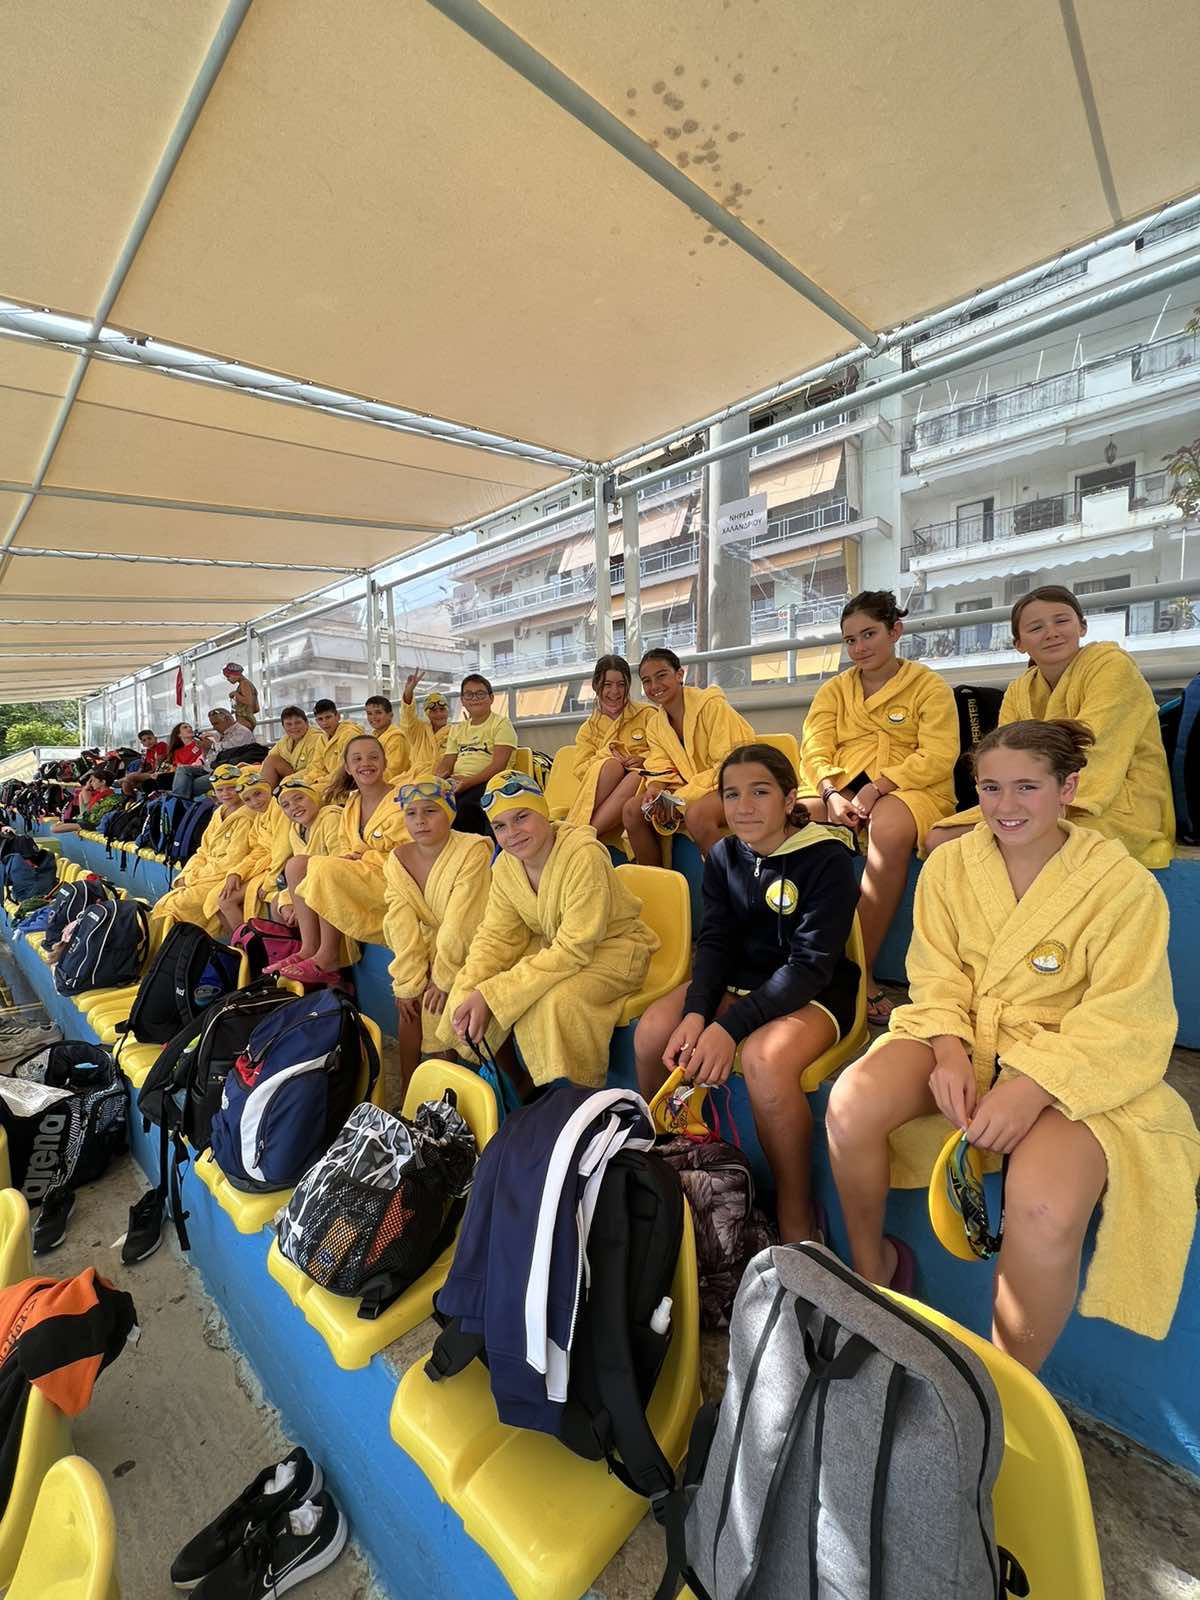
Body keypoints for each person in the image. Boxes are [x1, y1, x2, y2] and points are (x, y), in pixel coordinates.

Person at [826, 720, 1200, 1370]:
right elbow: (935, 973)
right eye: (990, 787)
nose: (1006, 805)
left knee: (1046, 1209)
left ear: (1068, 789)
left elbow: (1128, 1018)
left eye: (1028, 787)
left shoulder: (1122, 886)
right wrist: (947, 1049)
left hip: (1068, 1060)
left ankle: (1004, 1387)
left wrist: (1031, 1087)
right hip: (962, 1031)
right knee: (850, 1104)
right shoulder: (950, 865)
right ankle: (873, 1273)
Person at [635, 744, 859, 1242]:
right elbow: (715, 942)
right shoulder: (723, 857)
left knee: (764, 1060)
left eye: (760, 792)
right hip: (741, 982)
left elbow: (810, 965)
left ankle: (794, 1209)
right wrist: (698, 1013)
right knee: (652, 1032)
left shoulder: (827, 859)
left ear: (788, 799)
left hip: (816, 989)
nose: (744, 807)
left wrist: (728, 1027)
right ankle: (673, 1160)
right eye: (732, 795)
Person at [925, 585, 1173, 867]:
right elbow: (1002, 759)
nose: (1051, 633)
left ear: (1082, 626)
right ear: (1019, 643)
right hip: (1027, 795)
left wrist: (1041, 801)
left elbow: (1096, 748)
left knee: (1035, 840)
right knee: (940, 839)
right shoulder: (1018, 690)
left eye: (1061, 620)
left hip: (1113, 797)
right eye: (1036, 627)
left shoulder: (1113, 668)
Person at [799, 590, 959, 1023]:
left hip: (912, 787)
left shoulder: (928, 687)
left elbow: (938, 754)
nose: (859, 648)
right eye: (850, 640)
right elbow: (813, 749)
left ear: (895, 631)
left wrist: (878, 787)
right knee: (786, 820)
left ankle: (860, 973)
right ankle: (790, 959)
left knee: (887, 828)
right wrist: (831, 793)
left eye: (869, 634)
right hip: (841, 787)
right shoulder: (834, 691)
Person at [442, 771, 658, 1087]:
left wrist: (493, 994)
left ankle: (582, 1094)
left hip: (614, 950)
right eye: (500, 826)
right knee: (467, 988)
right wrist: (476, 985)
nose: (512, 833)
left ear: (543, 812)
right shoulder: (506, 867)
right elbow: (496, 937)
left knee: (555, 1003)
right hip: (557, 947)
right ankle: (522, 1088)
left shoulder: (584, 855)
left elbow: (574, 947)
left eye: (521, 817)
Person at [382, 775, 497, 1095]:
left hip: (472, 942)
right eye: (411, 813)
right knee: (409, 999)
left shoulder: (472, 850)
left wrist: (443, 978)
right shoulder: (398, 859)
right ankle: (408, 1091)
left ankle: (444, 1094)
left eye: (430, 811)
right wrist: (408, 981)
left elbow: (463, 920)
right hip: (429, 940)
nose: (420, 821)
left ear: (450, 813)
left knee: (436, 1002)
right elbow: (400, 922)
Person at [273, 735, 409, 984]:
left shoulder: (400, 801)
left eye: (373, 757)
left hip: (390, 877)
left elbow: (408, 852)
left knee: (324, 867)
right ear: (347, 767)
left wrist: (365, 856)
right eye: (357, 759)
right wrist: (350, 857)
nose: (365, 763)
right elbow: (346, 844)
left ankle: (328, 957)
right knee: (295, 865)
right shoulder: (353, 802)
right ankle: (309, 948)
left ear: (385, 762)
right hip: (361, 872)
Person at [621, 648, 754, 863]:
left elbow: (732, 764)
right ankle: (656, 880)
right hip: (691, 790)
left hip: (734, 783)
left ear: (679, 674)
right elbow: (661, 764)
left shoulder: (712, 707)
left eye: (661, 675)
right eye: (647, 681)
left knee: (697, 815)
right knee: (632, 810)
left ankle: (731, 881)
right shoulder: (656, 725)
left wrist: (682, 798)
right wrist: (655, 789)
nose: (654, 686)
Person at [152, 766, 255, 937]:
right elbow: (203, 850)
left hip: (224, 875)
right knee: (166, 902)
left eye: (231, 788)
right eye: (220, 790)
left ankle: (186, 946)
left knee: (175, 905)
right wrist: (187, 874)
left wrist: (193, 878)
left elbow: (233, 860)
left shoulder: (246, 817)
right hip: (205, 874)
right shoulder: (218, 813)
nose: (225, 794)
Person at [565, 655, 656, 836]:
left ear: (628, 686)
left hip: (639, 786)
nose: (615, 691)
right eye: (607, 685)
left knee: (636, 777)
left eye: (621, 685)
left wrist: (643, 760)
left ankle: (582, 836)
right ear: (596, 686)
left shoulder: (648, 715)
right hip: (604, 791)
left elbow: (666, 752)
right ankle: (582, 835)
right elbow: (581, 770)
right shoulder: (588, 729)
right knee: (611, 766)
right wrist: (607, 754)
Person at [434, 674, 516, 835]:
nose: (474, 698)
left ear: (491, 698)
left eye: (480, 694)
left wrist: (467, 782)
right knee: (427, 804)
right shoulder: (457, 729)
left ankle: (474, 848)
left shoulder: (501, 724)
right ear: (462, 700)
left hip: (491, 782)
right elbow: (447, 763)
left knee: (463, 807)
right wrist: (436, 783)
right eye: (469, 694)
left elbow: (498, 766)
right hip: (459, 783)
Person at [211, 771, 288, 935]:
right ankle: (241, 944)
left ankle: (251, 945)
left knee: (225, 901)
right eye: (247, 799)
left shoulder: (279, 809)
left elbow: (283, 849)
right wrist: (237, 872)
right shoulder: (260, 817)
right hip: (264, 865)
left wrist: (270, 882)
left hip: (279, 869)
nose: (255, 802)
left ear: (268, 789)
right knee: (216, 901)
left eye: (258, 794)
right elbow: (257, 850)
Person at [173, 709, 255, 799]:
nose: (214, 728)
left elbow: (230, 748)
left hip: (228, 770)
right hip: (211, 767)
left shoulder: (241, 732)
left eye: (216, 723)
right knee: (182, 770)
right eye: (212, 724)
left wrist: (211, 745)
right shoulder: (219, 735)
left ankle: (177, 802)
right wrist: (205, 749)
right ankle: (178, 800)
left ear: (227, 719)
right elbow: (209, 758)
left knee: (190, 785)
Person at [304, 700, 365, 799]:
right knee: (292, 789)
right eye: (320, 719)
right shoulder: (322, 738)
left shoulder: (350, 735)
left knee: (305, 795)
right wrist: (307, 781)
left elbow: (344, 769)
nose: (325, 722)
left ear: (338, 716)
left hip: (347, 783)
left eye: (328, 717)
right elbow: (317, 766)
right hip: (327, 781)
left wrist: (318, 781)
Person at [258, 706, 326, 790]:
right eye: (289, 724)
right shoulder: (286, 740)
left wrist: (289, 779)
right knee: (271, 760)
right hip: (292, 777)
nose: (294, 727)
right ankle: (264, 792)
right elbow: (269, 758)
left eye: (298, 723)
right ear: (283, 727)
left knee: (272, 761)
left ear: (306, 723)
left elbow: (315, 769)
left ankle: (265, 794)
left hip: (309, 778)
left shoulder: (316, 739)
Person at [399, 670, 451, 771]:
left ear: (447, 711)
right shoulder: (419, 730)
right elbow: (407, 716)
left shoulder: (455, 732)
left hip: (442, 777)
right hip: (417, 776)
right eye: (434, 711)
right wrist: (409, 691)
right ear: (427, 714)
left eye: (442, 709)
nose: (439, 714)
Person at [364, 694, 410, 781]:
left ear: (390, 715)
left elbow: (394, 772)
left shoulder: (397, 738)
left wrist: (369, 783)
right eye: (369, 714)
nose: (373, 717)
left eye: (378, 712)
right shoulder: (374, 737)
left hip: (394, 785)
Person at [120, 729, 170, 797]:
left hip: (162, 772)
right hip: (153, 773)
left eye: (149, 738)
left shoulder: (161, 745)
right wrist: (137, 775)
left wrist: (136, 776)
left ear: (155, 738)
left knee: (130, 777)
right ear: (142, 743)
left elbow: (157, 767)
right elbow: (141, 767)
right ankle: (133, 799)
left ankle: (124, 780)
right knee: (125, 784)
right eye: (144, 740)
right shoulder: (148, 752)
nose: (148, 742)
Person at [223, 661, 259, 730]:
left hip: (245, 721)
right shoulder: (246, 684)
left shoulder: (244, 683)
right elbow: (256, 708)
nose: (228, 679)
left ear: (235, 674)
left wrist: (235, 694)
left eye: (228, 676)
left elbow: (248, 701)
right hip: (247, 720)